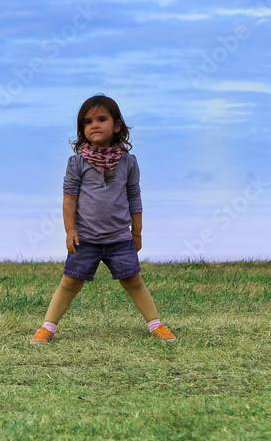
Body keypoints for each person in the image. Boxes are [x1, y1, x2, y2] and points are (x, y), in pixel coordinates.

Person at [31, 94, 176, 344]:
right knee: (69, 283)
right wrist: (70, 231)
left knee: (134, 281)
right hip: (85, 239)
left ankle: (156, 325)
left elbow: (134, 196)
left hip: (120, 238)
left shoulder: (129, 162)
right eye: (87, 122)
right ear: (82, 130)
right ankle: (47, 328)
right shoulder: (77, 163)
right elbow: (69, 199)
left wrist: (137, 232)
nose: (94, 125)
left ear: (117, 126)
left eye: (101, 119)